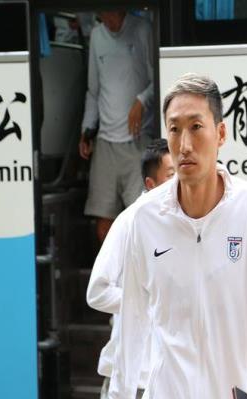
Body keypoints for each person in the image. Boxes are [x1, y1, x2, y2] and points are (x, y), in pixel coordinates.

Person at [108, 73, 247, 399]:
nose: (184, 145)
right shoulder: (145, 218)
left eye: (196, 127)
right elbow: (132, 322)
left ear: (221, 134)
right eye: (174, 129)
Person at [87, 140, 174, 399]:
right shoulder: (129, 222)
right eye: (170, 175)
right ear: (150, 184)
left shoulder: (183, 223)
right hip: (132, 384)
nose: (180, 180)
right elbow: (97, 291)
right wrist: (142, 300)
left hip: (169, 382)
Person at [79, 10, 154, 242]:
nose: (108, 21)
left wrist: (141, 101)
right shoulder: (97, 36)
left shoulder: (142, 29)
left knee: (141, 219)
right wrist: (87, 130)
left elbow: (159, 78)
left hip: (138, 140)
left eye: (111, 14)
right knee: (104, 225)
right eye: (102, 15)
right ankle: (110, 267)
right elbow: (93, 91)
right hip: (105, 142)